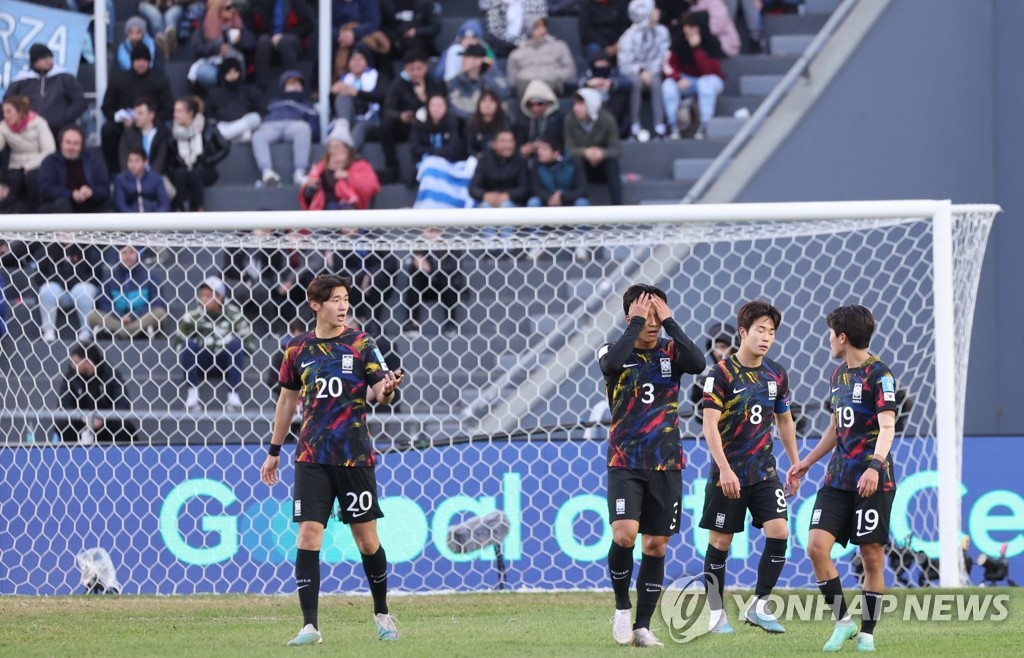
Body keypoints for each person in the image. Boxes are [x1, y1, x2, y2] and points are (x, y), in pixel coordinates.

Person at [260, 273, 405, 645]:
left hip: (354, 455)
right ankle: (310, 626)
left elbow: (380, 394)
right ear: (315, 305)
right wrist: (274, 451)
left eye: (346, 299)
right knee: (309, 534)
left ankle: (382, 613)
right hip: (310, 455)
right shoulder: (296, 350)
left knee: (367, 541)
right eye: (335, 300)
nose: (343, 306)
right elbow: (286, 402)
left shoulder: (362, 343)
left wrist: (387, 390)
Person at [787, 304, 900, 654]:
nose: (828, 341)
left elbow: (887, 426)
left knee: (871, 556)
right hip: (837, 478)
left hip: (872, 479)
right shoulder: (838, 376)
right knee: (815, 547)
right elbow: (837, 428)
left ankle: (866, 634)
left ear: (842, 337)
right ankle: (843, 623)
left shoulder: (880, 374)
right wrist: (805, 462)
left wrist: (874, 465)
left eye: (830, 334)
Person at [600, 284, 705, 647]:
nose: (652, 322)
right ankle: (621, 609)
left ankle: (643, 627)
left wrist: (671, 321)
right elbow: (610, 364)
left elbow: (699, 364)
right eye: (646, 314)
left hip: (667, 461)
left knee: (656, 546)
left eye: (657, 314)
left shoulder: (672, 351)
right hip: (625, 461)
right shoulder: (614, 350)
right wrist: (635, 324)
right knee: (624, 534)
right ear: (630, 316)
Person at [699, 300, 800, 635]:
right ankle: (716, 614)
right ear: (743, 332)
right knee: (721, 542)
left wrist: (795, 462)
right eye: (760, 330)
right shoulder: (721, 374)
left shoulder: (776, 374)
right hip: (728, 475)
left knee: (780, 531)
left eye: (771, 332)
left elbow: (784, 421)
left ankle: (758, 606)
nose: (766, 337)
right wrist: (724, 470)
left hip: (764, 472)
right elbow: (709, 426)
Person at [175, 276, 257, 411]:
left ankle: (233, 397)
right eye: (202, 295)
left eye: (209, 295)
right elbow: (178, 344)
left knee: (236, 345)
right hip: (201, 363)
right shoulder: (192, 316)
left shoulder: (234, 314)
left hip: (224, 364)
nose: (204, 299)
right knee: (189, 345)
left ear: (220, 297)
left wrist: (226, 342)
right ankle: (192, 396)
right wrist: (199, 343)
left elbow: (250, 345)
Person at [100, 42, 174, 175]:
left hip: (153, 123)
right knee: (108, 131)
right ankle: (114, 172)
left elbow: (168, 108)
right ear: (132, 61)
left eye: (144, 60)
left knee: (166, 133)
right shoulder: (119, 79)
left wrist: (150, 120)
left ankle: (161, 172)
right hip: (124, 124)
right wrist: (121, 118)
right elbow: (107, 107)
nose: (141, 63)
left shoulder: (159, 79)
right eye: (138, 60)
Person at [380, 50, 446, 183]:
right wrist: (400, 116)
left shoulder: (435, 83)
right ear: (405, 69)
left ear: (426, 67)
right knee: (385, 126)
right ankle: (392, 167)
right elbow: (387, 110)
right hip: (405, 125)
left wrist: (423, 98)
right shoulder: (398, 84)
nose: (415, 73)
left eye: (419, 68)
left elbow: (441, 109)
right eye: (411, 69)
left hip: (428, 126)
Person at [55, 343, 137, 444]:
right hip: (80, 423)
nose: (72, 365)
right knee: (62, 425)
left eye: (76, 362)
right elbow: (64, 405)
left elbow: (123, 403)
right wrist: (83, 418)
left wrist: (103, 419)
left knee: (125, 427)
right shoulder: (71, 376)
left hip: (107, 424)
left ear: (88, 362)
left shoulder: (111, 375)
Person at [662, 11, 726, 140]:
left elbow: (710, 70)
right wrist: (677, 78)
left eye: (691, 26)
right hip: (687, 80)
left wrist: (696, 49)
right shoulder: (679, 38)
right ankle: (674, 126)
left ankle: (705, 126)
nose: (686, 29)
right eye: (685, 26)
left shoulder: (712, 41)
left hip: (712, 80)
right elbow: (667, 64)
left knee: (705, 83)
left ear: (700, 27)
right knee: (668, 85)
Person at [253, 71, 320, 187]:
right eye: (292, 83)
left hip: (295, 126)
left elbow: (314, 128)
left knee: (304, 128)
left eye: (299, 84)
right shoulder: (271, 102)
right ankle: (267, 173)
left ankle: (299, 173)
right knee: (258, 134)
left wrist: (311, 134)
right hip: (271, 125)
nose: (296, 86)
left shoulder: (307, 104)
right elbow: (262, 117)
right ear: (283, 85)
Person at [5, 43, 88, 135]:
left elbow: (80, 101)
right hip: (27, 129)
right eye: (44, 58)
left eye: (50, 57)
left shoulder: (64, 77)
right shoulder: (21, 80)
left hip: (60, 129)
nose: (49, 61)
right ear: (34, 61)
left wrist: (64, 118)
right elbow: (8, 103)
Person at [88, 244, 168, 339]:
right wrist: (120, 317)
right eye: (124, 253)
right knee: (92, 316)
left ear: (138, 254)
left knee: (160, 313)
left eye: (131, 252)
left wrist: (133, 316)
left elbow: (157, 303)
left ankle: (126, 332)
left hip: (140, 319)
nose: (128, 257)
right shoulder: (109, 277)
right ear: (118, 255)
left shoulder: (151, 277)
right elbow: (103, 304)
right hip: (117, 321)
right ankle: (126, 332)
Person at [617, 0, 670, 140]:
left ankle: (660, 126)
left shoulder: (662, 32)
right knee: (636, 83)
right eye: (654, 9)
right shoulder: (628, 36)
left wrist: (650, 72)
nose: (658, 11)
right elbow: (624, 62)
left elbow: (663, 56)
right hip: (633, 73)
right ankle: (635, 126)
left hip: (653, 73)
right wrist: (641, 71)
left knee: (657, 82)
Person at [35, 237, 102, 343]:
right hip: (60, 293)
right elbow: (38, 276)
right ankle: (48, 331)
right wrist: (59, 279)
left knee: (82, 290)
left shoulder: (88, 248)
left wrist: (75, 279)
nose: (66, 233)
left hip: (81, 291)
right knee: (48, 289)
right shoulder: (49, 249)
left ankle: (86, 332)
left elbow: (97, 275)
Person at [169, 96, 230, 212]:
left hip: (204, 169)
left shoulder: (207, 126)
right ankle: (178, 209)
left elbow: (225, 147)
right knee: (180, 173)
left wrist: (208, 160)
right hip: (182, 169)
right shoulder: (172, 130)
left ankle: (199, 208)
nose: (175, 115)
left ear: (190, 113)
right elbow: (170, 154)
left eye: (179, 111)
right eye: (175, 111)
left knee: (195, 173)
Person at [564, 88, 623, 205]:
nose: (576, 108)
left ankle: (617, 207)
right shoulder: (569, 120)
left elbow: (616, 150)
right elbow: (568, 149)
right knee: (575, 162)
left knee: (612, 165)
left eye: (581, 104)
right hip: (582, 165)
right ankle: (581, 204)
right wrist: (585, 152)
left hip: (601, 165)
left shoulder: (607, 120)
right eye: (575, 104)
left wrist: (601, 153)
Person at [401, 227, 466, 335]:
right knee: (414, 281)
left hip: (444, 286)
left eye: (435, 231)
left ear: (441, 232)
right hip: (425, 287)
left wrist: (431, 269)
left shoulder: (452, 246)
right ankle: (412, 323)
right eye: (428, 231)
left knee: (448, 283)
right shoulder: (419, 246)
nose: (432, 235)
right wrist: (418, 266)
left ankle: (450, 325)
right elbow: (413, 270)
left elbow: (453, 268)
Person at [0, 95, 55, 212]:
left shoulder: (39, 123)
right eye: (3, 112)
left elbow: (49, 150)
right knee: (13, 180)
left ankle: (37, 215)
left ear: (19, 111)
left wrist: (30, 165)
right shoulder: (4, 126)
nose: (5, 116)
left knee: (32, 179)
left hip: (38, 162)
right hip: (15, 164)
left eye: (9, 111)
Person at [38, 126, 111, 214]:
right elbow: (46, 188)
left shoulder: (92, 161)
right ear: (61, 143)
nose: (71, 147)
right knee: (62, 203)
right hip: (60, 208)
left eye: (76, 143)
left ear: (82, 146)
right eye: (68, 143)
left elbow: (105, 188)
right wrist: (70, 194)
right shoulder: (50, 162)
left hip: (89, 206)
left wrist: (91, 191)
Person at [299, 133, 381, 210]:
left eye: (337, 146)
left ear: (347, 149)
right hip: (325, 213)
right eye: (330, 147)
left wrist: (349, 176)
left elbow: (372, 187)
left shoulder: (361, 165)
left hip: (352, 210)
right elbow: (308, 198)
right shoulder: (319, 168)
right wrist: (311, 188)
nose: (332, 150)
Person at [189, 0, 257, 91]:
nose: (232, 10)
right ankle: (222, 90)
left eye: (233, 6)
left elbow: (252, 42)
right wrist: (217, 48)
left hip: (234, 63)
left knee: (234, 56)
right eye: (227, 8)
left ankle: (233, 87)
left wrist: (241, 39)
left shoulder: (236, 20)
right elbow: (197, 46)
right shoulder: (205, 22)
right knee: (204, 71)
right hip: (213, 62)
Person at [331, 44, 387, 152]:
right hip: (350, 118)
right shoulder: (344, 79)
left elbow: (383, 97)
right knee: (342, 97)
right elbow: (333, 106)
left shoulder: (378, 76)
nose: (357, 62)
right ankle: (343, 124)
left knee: (360, 127)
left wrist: (357, 93)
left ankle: (348, 156)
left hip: (373, 119)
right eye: (353, 59)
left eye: (360, 59)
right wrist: (332, 93)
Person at [249, 0, 315, 91]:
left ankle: (292, 85)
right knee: (262, 41)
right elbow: (260, 26)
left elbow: (308, 25)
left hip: (294, 40)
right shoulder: (264, 3)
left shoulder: (297, 2)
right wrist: (273, 36)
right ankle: (261, 87)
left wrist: (284, 35)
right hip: (271, 39)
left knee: (285, 42)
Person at [506, 18, 577, 98]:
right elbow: (512, 78)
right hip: (525, 83)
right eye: (537, 27)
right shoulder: (517, 52)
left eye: (544, 26)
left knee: (542, 93)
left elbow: (570, 70)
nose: (542, 30)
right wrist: (522, 78)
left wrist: (555, 75)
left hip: (550, 81)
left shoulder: (559, 46)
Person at [446, 43, 512, 124]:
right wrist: (478, 117)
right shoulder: (455, 81)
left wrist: (483, 75)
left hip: (494, 123)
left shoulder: (492, 77)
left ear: (478, 61)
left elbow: (506, 93)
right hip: (466, 124)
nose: (463, 61)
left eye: (467, 57)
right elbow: (453, 107)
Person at [206, 59, 265, 144]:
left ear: (240, 72)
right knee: (245, 136)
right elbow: (209, 114)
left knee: (255, 118)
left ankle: (225, 137)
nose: (232, 75)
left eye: (235, 71)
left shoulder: (250, 90)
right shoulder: (214, 93)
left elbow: (262, 110)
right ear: (223, 74)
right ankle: (230, 136)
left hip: (245, 125)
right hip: (223, 125)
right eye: (229, 72)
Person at [469, 129, 529, 209]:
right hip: (489, 201)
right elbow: (473, 188)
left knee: (506, 206)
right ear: (493, 144)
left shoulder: (521, 161)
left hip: (513, 202)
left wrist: (508, 195)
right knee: (484, 206)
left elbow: (525, 188)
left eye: (511, 141)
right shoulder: (484, 160)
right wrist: (485, 195)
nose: (508, 145)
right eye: (503, 141)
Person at [577, 53, 632, 139]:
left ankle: (609, 129)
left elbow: (627, 83)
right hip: (592, 110)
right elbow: (571, 82)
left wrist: (611, 84)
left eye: (604, 65)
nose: (601, 68)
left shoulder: (613, 74)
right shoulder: (587, 75)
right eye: (598, 65)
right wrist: (588, 83)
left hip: (610, 108)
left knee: (620, 95)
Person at [332, 0, 392, 78]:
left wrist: (354, 33)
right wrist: (340, 35)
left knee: (363, 47)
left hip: (364, 35)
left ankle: (369, 81)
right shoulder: (330, 3)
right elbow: (324, 23)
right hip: (338, 37)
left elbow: (373, 22)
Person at [118, 98, 173, 179]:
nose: (136, 116)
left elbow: (161, 159)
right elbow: (123, 157)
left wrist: (149, 179)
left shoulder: (162, 133)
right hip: (132, 177)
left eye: (140, 113)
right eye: (135, 113)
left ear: (151, 115)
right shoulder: (128, 133)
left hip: (157, 178)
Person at [527, 136, 589, 208]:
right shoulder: (536, 164)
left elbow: (581, 190)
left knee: (582, 202)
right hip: (547, 200)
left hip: (569, 200)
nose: (539, 152)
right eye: (539, 149)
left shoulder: (574, 163)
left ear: (556, 153)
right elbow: (536, 189)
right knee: (533, 202)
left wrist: (562, 196)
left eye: (544, 149)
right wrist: (551, 197)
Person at [513, 79, 563, 159]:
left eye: (540, 104)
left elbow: (562, 143)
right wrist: (524, 149)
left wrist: (544, 146)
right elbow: (517, 142)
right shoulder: (521, 119)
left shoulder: (558, 118)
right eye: (531, 104)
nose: (535, 108)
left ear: (548, 102)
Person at [434, 19, 496, 83]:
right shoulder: (451, 51)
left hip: (479, 84)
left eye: (472, 38)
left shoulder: (487, 51)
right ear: (460, 39)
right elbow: (438, 74)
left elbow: (495, 73)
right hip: (454, 85)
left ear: (478, 40)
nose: (468, 41)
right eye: (465, 38)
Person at [410, 94, 465, 165]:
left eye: (440, 105)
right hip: (423, 162)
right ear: (427, 107)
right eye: (433, 105)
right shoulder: (419, 124)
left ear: (446, 107)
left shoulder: (453, 123)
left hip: (449, 162)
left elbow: (454, 147)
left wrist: (432, 152)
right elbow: (415, 148)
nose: (437, 109)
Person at [482, 0, 548, 58]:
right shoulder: (496, 2)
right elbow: (495, 29)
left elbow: (538, 26)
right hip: (503, 42)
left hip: (528, 42)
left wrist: (524, 42)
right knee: (487, 42)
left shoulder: (538, 1)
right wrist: (517, 42)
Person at [113, 148, 172, 213]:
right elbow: (120, 205)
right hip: (129, 219)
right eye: (130, 161)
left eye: (137, 161)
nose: (133, 165)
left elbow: (164, 204)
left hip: (153, 218)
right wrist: (134, 218)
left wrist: (154, 218)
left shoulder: (156, 178)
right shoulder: (120, 180)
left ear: (145, 163)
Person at [464, 89, 513, 159]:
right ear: (479, 104)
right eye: (484, 101)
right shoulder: (472, 123)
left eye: (492, 101)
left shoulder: (505, 123)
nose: (487, 104)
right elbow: (469, 148)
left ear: (498, 105)